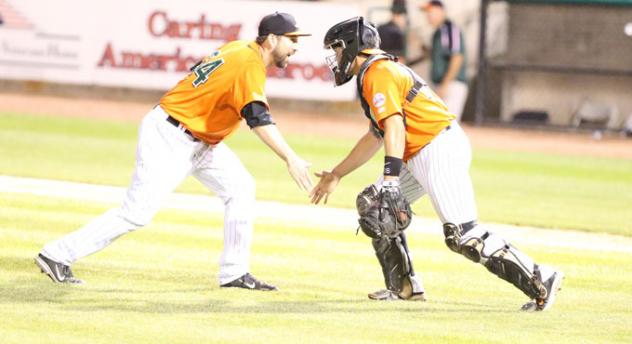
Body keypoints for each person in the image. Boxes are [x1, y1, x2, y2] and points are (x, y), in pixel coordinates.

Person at [35, 12, 313, 291]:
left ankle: (234, 273)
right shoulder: (249, 63)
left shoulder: (238, 47)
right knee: (136, 213)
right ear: (272, 40)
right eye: (292, 39)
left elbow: (197, 71)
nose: (296, 46)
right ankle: (57, 254)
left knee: (240, 188)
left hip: (199, 138)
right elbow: (257, 118)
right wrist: (290, 158)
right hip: (171, 135)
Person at [311, 16, 564, 311]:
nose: (336, 57)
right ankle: (405, 288)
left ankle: (541, 277)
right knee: (375, 206)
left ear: (354, 46)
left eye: (338, 49)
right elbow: (376, 135)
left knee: (464, 235)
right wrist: (338, 173)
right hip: (421, 150)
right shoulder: (377, 71)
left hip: (437, 146)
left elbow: (394, 129)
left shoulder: (378, 71)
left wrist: (391, 180)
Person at [420, 0, 468, 121]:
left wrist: (445, 84)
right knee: (437, 125)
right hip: (440, 84)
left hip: (451, 84)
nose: (428, 16)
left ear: (441, 12)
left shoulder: (450, 29)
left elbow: (457, 57)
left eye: (430, 12)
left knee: (448, 125)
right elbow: (437, 56)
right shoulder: (438, 32)